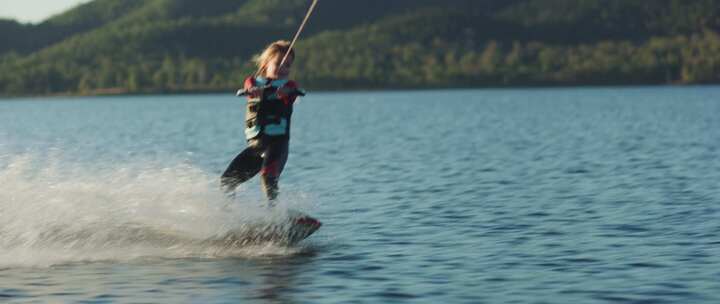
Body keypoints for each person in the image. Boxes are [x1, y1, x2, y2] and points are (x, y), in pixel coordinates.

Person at [221, 40, 305, 201]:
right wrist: (252, 90)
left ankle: (274, 217)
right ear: (266, 64)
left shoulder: (289, 86)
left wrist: (286, 93)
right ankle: (228, 217)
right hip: (257, 147)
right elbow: (248, 83)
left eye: (287, 65)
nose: (283, 68)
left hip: (278, 146)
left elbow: (293, 92)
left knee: (268, 176)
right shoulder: (253, 82)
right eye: (278, 63)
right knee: (226, 181)